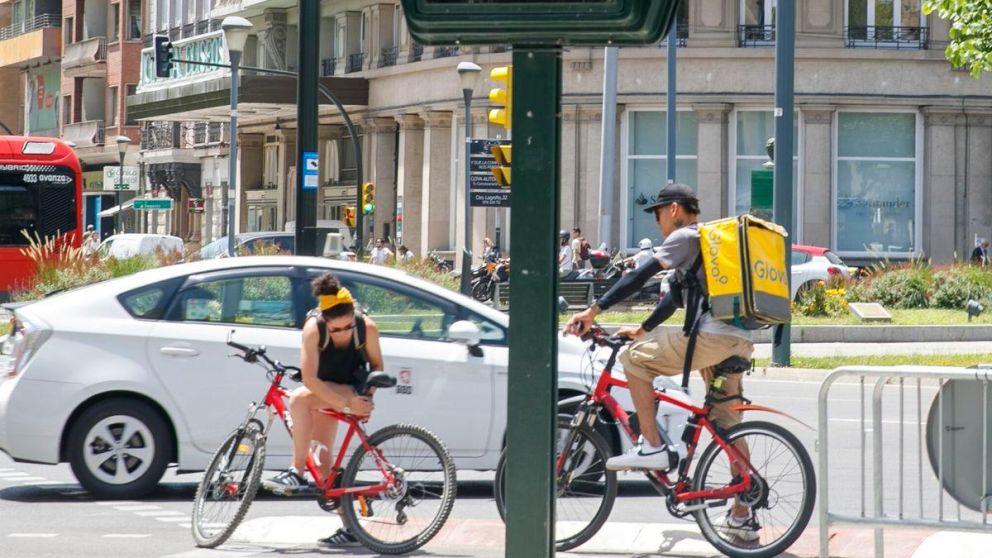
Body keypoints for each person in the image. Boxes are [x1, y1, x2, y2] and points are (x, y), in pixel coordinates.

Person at [564, 182, 758, 541]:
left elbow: (638, 275)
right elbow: (673, 299)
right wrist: (642, 328)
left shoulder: (683, 237)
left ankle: (651, 445)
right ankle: (743, 516)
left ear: (672, 209)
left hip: (712, 338)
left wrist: (593, 310)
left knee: (634, 361)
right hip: (739, 339)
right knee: (727, 424)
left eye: (657, 214)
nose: (657, 224)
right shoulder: (704, 244)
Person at [262, 272, 384, 546]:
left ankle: (295, 472)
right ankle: (351, 528)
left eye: (348, 326)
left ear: (355, 317)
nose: (343, 333)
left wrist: (364, 398)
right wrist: (343, 404)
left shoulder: (367, 328)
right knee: (323, 465)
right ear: (324, 321)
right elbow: (310, 379)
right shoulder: (313, 329)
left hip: (348, 388)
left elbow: (377, 367)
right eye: (336, 329)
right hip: (325, 391)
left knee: (297, 400)